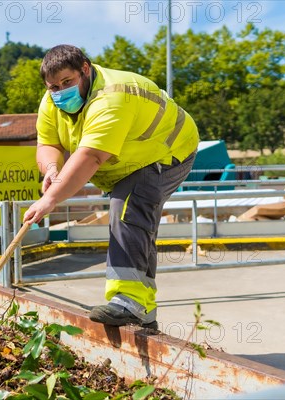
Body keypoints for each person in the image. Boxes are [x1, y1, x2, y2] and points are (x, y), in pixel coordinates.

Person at [23, 45, 199, 330]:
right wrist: (52, 168)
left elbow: (90, 157)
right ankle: (145, 311)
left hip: (167, 151)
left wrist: (50, 200)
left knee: (128, 206)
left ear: (85, 70)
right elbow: (48, 144)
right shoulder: (51, 102)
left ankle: (129, 302)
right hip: (128, 160)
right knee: (135, 221)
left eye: (67, 82)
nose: (60, 91)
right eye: (54, 86)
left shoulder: (113, 96)